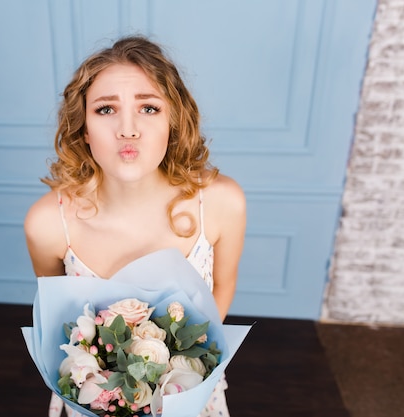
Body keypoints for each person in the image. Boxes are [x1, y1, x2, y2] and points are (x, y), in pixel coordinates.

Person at [24, 35, 246, 417]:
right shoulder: (48, 223)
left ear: (174, 120)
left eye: (148, 108)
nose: (128, 129)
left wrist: (173, 372)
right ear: (84, 128)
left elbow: (223, 287)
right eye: (106, 110)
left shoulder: (222, 202)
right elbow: (58, 323)